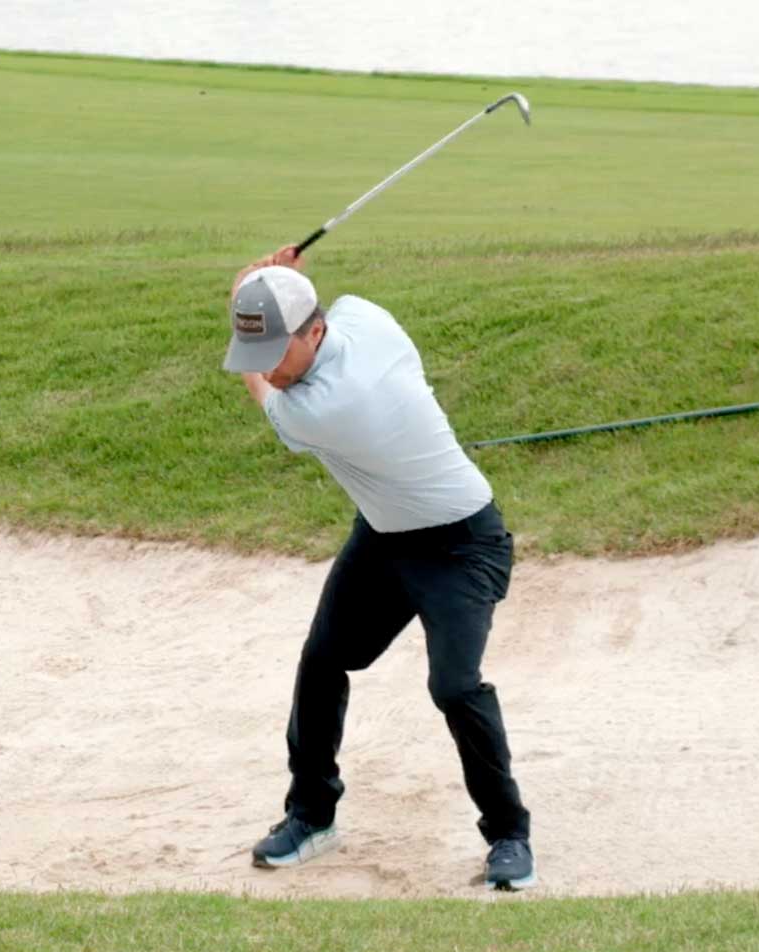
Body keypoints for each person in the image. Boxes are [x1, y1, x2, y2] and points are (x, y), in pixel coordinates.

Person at [224, 247, 533, 889]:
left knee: (453, 686)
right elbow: (300, 322)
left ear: (314, 332)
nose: (267, 370)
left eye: (274, 353)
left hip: (461, 544)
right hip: (385, 536)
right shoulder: (365, 315)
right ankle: (310, 817)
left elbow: (263, 397)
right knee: (321, 660)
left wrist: (244, 284)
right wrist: (267, 292)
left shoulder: (328, 406)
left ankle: (509, 833)